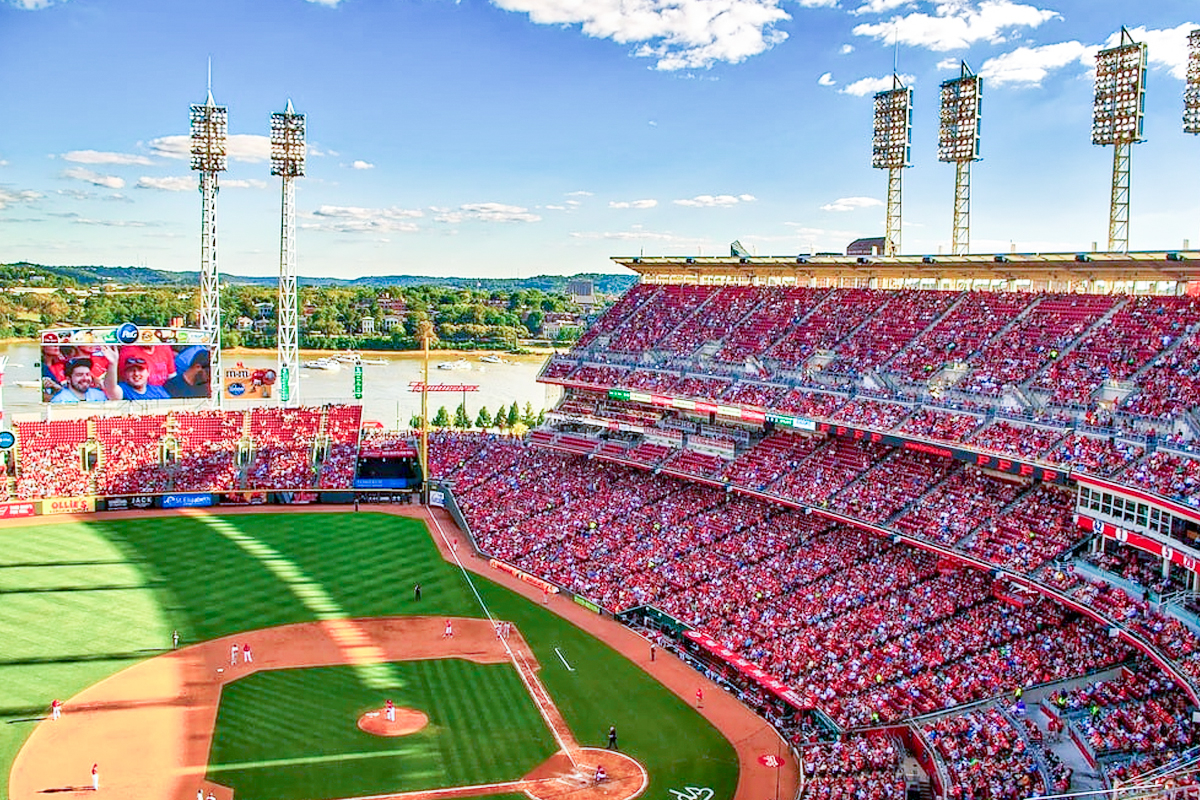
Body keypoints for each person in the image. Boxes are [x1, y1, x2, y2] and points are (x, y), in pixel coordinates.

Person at [101, 347, 170, 401]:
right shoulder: (124, 390)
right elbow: (110, 389)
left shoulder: (158, 391)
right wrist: (113, 363)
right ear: (125, 374)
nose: (136, 374)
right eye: (131, 370)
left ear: (148, 372)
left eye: (140, 370)